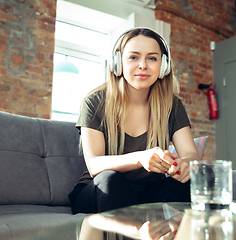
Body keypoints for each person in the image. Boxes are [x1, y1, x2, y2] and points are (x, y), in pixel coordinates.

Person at [68, 27, 200, 215]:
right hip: (100, 191)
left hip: (146, 196)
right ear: (118, 63)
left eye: (152, 58)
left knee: (196, 180)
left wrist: (185, 165)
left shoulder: (173, 105)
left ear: (163, 66)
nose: (143, 65)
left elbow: (190, 154)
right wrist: (140, 158)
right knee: (111, 180)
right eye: (133, 57)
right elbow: (94, 165)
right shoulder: (95, 102)